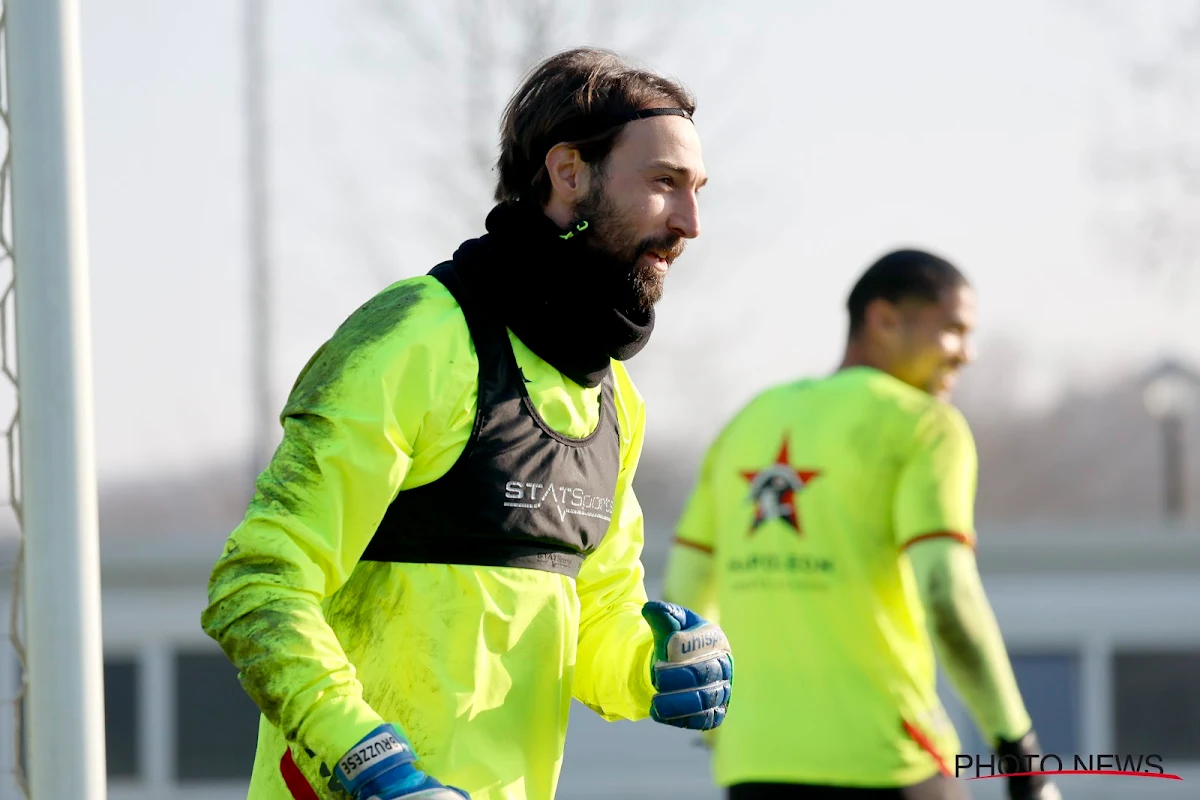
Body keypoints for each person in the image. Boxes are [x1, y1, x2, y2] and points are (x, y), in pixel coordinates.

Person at [201, 47, 732, 800]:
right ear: (569, 173)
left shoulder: (612, 395)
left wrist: (657, 665)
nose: (690, 222)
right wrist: (372, 765)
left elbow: (596, 617)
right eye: (664, 183)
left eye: (697, 191)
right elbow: (258, 585)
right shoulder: (414, 336)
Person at [661, 250, 1061, 800]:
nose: (967, 354)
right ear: (885, 319)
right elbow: (947, 595)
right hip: (889, 762)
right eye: (953, 330)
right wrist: (1020, 753)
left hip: (754, 763)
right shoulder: (925, 426)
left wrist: (718, 725)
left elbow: (683, 597)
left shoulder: (749, 420)